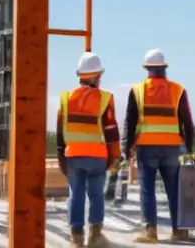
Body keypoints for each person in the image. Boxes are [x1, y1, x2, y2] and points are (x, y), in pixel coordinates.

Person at [122, 49, 195, 243]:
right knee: (174, 189)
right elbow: (187, 122)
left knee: (147, 189)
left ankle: (150, 232)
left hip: (146, 148)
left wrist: (126, 148)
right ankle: (179, 230)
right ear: (164, 68)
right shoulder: (178, 90)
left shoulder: (137, 91)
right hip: (171, 148)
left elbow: (130, 121)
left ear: (146, 68)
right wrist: (188, 147)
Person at [56, 52, 121, 248]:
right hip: (97, 157)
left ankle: (76, 238)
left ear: (80, 76)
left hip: (73, 155)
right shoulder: (105, 98)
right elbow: (111, 130)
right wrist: (114, 157)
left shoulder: (66, 98)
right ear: (97, 76)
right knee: (96, 195)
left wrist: (61, 158)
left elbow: (60, 131)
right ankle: (95, 236)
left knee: (75, 194)